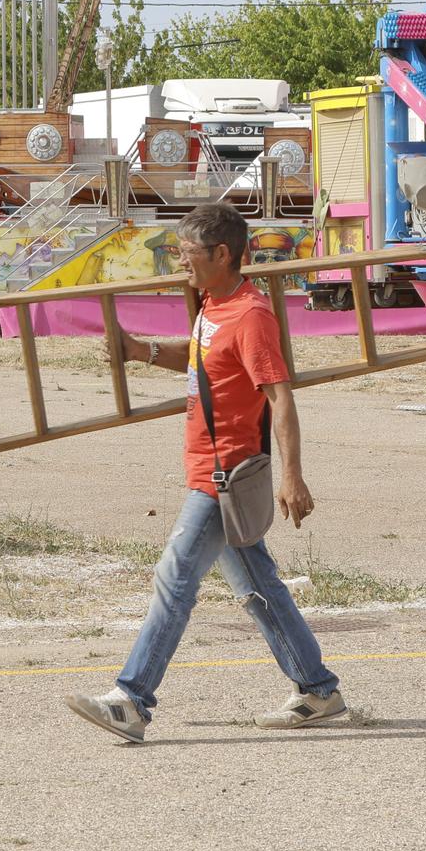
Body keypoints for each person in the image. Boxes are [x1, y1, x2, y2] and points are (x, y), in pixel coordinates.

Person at [64, 202, 344, 742]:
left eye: (188, 254)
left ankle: (132, 700)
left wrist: (293, 476)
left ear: (222, 254)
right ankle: (317, 689)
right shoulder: (211, 306)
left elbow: (279, 397)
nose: (180, 263)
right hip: (208, 467)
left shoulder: (251, 315)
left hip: (227, 474)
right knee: (260, 587)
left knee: (175, 580)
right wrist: (138, 350)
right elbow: (200, 360)